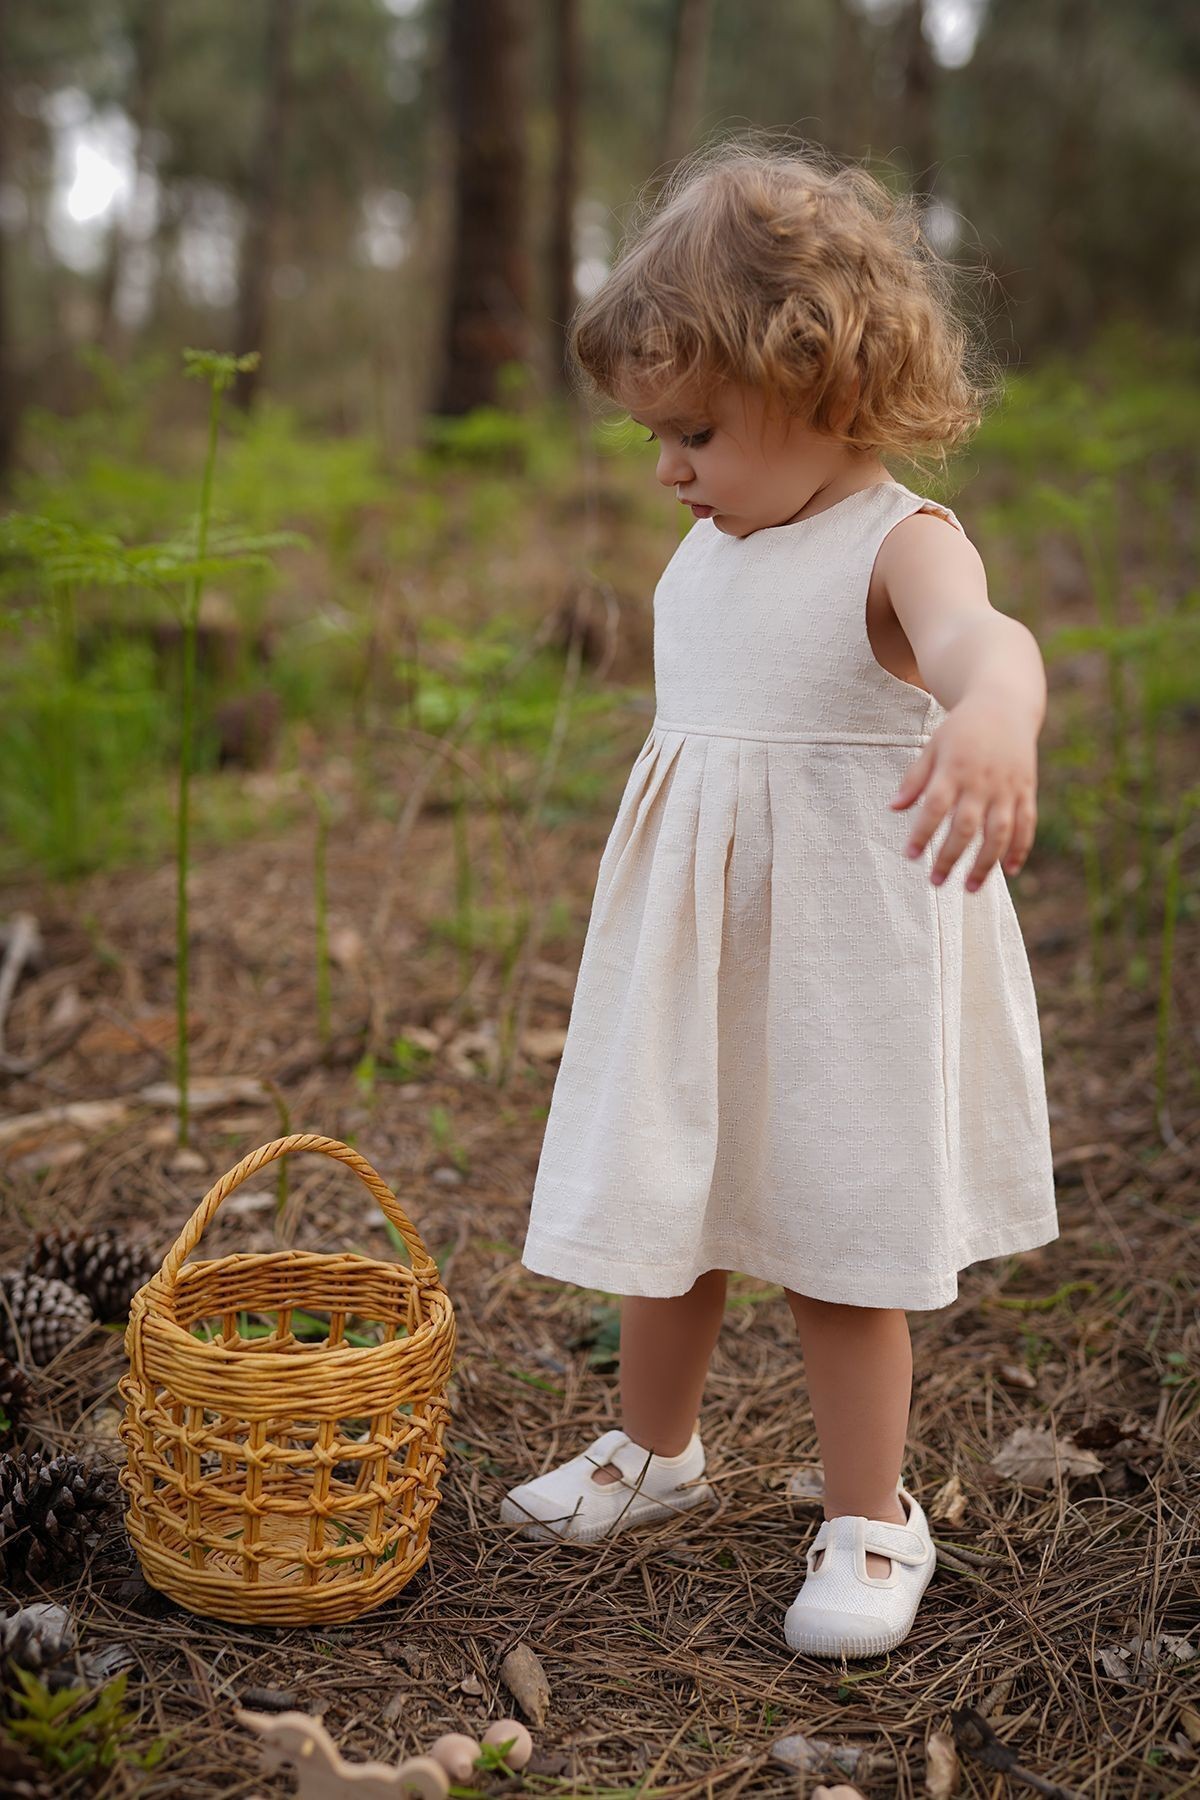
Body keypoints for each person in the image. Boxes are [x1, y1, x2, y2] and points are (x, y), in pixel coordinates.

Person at [500, 138, 1059, 1660]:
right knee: (672, 1206)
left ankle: (872, 1513)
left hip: (835, 970)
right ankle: (655, 1449)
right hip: (700, 950)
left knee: (831, 1237)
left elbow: (982, 642)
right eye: (653, 435)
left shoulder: (897, 543)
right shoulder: (708, 550)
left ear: (818, 383)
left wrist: (996, 714)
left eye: (693, 427)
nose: (668, 466)